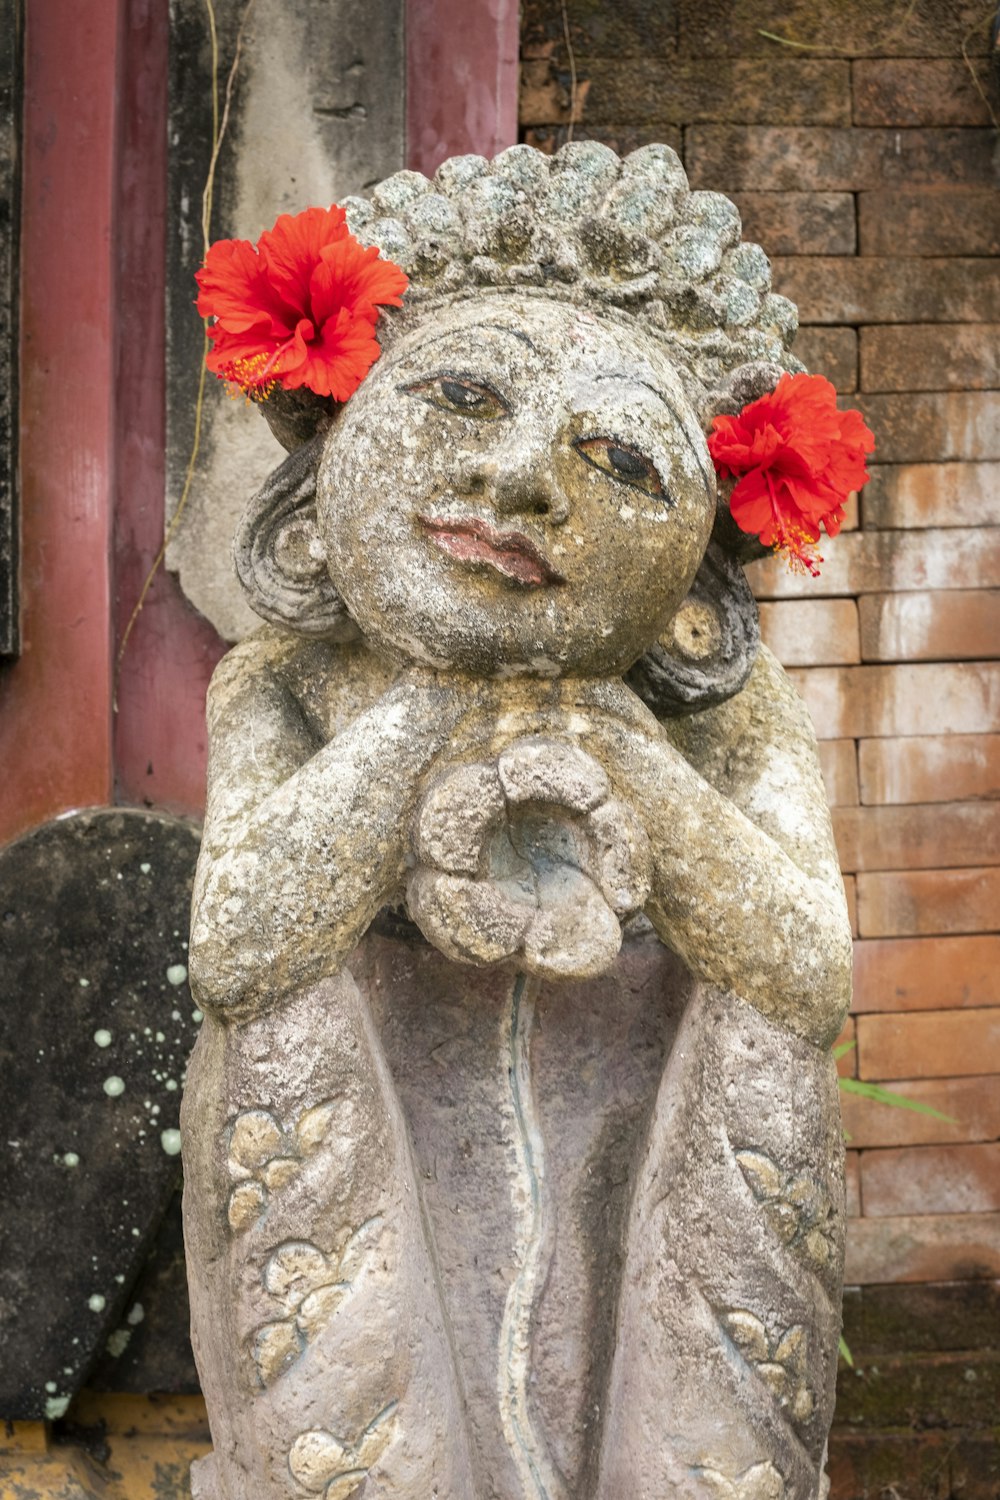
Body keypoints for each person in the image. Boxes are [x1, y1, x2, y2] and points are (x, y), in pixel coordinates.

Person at [182, 142, 854, 1500]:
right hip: (371, 1266)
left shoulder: (720, 716)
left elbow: (808, 969)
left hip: (644, 1283)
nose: (526, 480)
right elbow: (242, 943)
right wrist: (444, 700)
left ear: (689, 600)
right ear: (320, 501)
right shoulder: (287, 682)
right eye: (465, 397)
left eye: (616, 455)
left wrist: (625, 751)